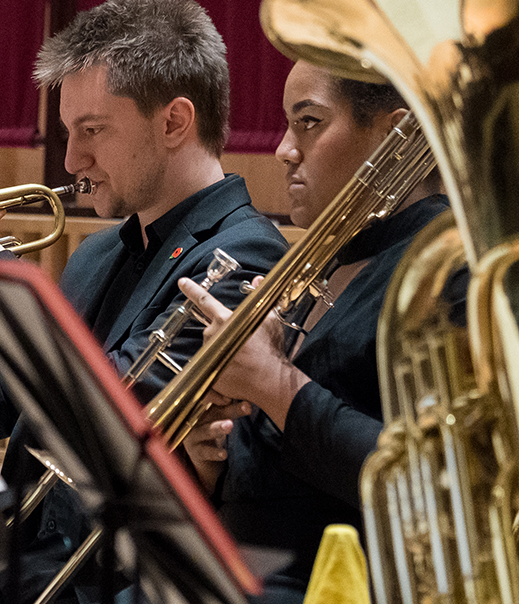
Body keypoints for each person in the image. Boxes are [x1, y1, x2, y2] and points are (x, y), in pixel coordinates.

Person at [0, 0, 291, 604]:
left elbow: (117, 417)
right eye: (70, 131)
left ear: (175, 121)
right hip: (11, 569)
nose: (73, 158)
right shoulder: (100, 252)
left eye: (92, 130)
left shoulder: (247, 257)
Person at [177, 60, 451, 604]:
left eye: (309, 122)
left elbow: (435, 487)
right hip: (243, 574)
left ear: (396, 136)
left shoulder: (442, 270)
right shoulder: (324, 258)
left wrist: (272, 383)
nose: (283, 149)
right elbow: (282, 459)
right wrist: (211, 453)